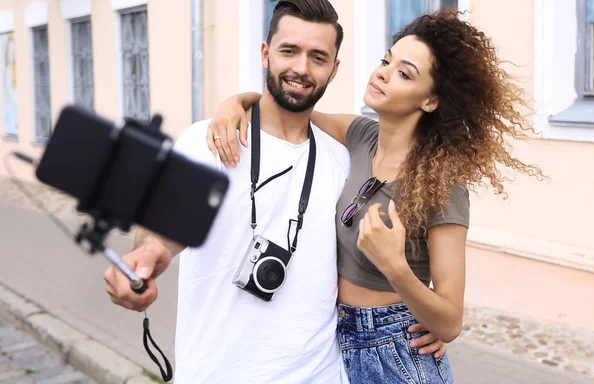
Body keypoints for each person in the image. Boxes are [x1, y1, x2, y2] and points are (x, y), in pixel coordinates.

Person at [103, 1, 445, 383]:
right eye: (288, 51)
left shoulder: (342, 158)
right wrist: (148, 255)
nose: (300, 68)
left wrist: (420, 317)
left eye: (317, 57)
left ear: (334, 69)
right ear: (265, 54)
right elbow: (162, 228)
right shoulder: (208, 141)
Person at [207, 8, 545, 384]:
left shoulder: (441, 183)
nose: (382, 73)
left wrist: (395, 266)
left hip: (398, 353)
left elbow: (449, 322)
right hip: (338, 344)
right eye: (387, 60)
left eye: (404, 73)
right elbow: (289, 104)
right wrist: (234, 104)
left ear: (430, 101)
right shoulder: (360, 135)